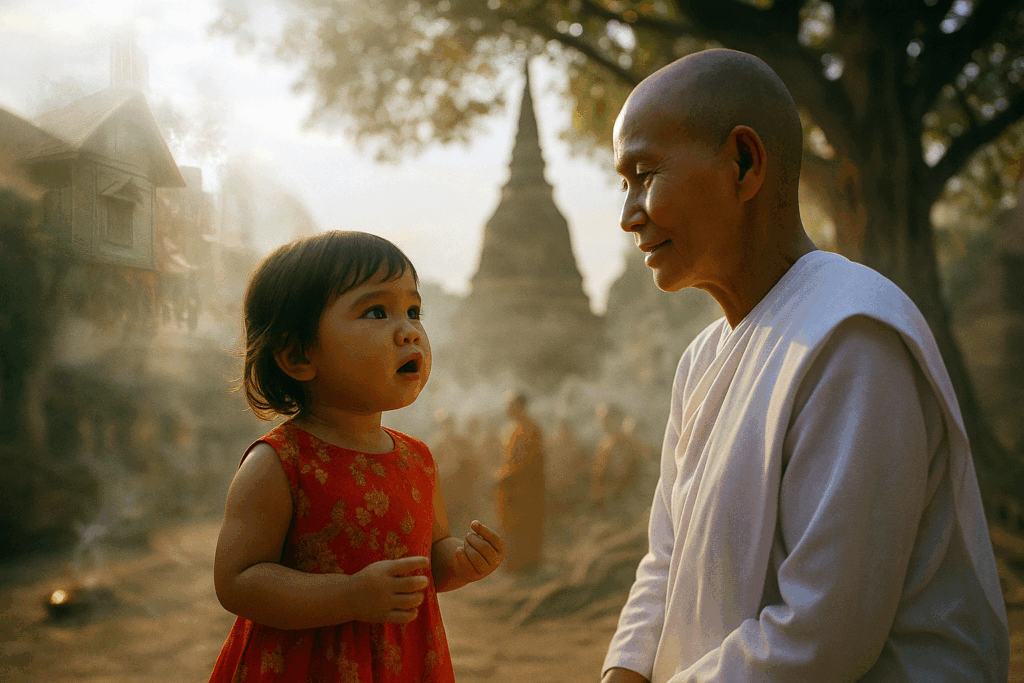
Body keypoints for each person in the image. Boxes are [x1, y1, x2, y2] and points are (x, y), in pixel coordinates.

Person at [601, 49, 1008, 682]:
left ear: (744, 161)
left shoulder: (852, 336)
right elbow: (667, 558)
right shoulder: (701, 359)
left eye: (646, 174)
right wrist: (624, 671)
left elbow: (824, 637)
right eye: (623, 184)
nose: (628, 215)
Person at [208, 231, 504, 682]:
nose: (408, 330)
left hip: (402, 661)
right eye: (376, 311)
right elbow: (238, 581)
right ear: (297, 355)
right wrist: (348, 595)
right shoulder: (281, 463)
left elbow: (431, 557)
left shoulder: (417, 458)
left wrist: (460, 562)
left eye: (413, 311)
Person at [495, 392, 546, 574]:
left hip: (526, 489)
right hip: (509, 491)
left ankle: (529, 567)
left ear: (521, 407)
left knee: (527, 527)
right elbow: (506, 460)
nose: (507, 409)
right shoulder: (508, 431)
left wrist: (507, 476)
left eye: (511, 405)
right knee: (510, 528)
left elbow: (529, 462)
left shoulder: (532, 429)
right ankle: (512, 566)